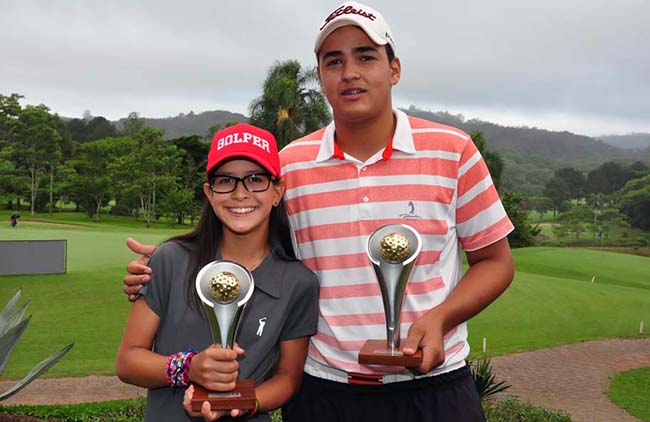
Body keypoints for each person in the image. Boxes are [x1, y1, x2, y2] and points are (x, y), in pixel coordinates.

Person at [124, 2, 515, 420]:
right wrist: (167, 263)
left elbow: (495, 263)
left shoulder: (452, 151)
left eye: (365, 56)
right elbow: (250, 242)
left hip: (434, 390)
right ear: (323, 78)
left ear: (394, 68)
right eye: (334, 61)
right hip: (324, 393)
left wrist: (441, 318)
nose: (350, 72)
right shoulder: (291, 165)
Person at [116, 123, 319, 422]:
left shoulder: (298, 282)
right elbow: (128, 362)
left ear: (277, 192)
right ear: (209, 193)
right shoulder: (170, 260)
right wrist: (190, 367)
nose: (240, 193)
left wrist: (245, 403)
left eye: (255, 179)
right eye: (226, 181)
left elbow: (287, 378)